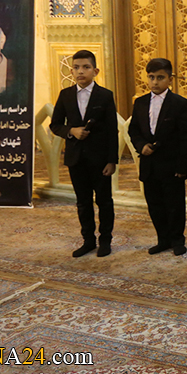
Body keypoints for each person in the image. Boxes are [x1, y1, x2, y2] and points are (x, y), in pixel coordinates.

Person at [49, 50, 118, 257]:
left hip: (100, 159)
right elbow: (55, 125)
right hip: (76, 159)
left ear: (95, 71)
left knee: (104, 201)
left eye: (86, 67)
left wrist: (112, 160)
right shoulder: (65, 95)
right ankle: (88, 240)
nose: (81, 71)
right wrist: (71, 131)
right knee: (83, 202)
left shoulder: (105, 95)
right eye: (77, 67)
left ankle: (105, 240)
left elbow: (112, 130)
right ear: (71, 71)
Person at [128, 58, 187, 256]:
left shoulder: (179, 103)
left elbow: (185, 137)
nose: (155, 82)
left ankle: (177, 240)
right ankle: (163, 239)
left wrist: (183, 166)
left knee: (175, 205)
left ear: (170, 79)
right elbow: (133, 130)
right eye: (151, 77)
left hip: (171, 164)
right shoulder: (140, 103)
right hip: (149, 164)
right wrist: (141, 146)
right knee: (155, 204)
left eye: (160, 77)